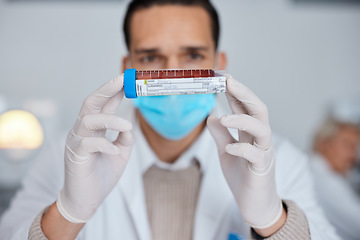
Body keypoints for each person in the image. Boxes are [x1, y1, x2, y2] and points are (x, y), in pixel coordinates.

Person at [0, 0, 338, 239]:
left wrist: (272, 220)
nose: (172, 77)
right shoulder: (68, 156)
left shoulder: (277, 160)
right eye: (150, 57)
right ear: (126, 68)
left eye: (193, 55)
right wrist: (67, 214)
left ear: (219, 62)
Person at [310, 117, 360, 240]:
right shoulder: (323, 180)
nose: (353, 156)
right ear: (324, 144)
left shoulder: (331, 176)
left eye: (355, 148)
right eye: (348, 145)